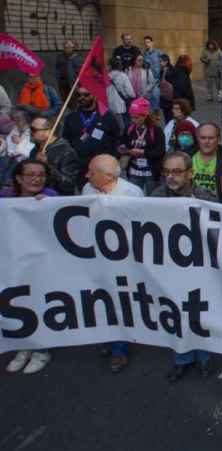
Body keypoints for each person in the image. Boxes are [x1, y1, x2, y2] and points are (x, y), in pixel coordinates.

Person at [149, 151, 219, 381]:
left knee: (199, 313)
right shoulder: (155, 198)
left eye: (177, 172)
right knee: (175, 314)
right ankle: (182, 358)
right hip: (168, 269)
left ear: (190, 173)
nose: (171, 176)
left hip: (200, 268)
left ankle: (204, 356)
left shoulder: (205, 198)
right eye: (167, 172)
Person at [81, 154, 143, 372]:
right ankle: (107, 337)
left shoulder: (132, 194)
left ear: (107, 176)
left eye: (91, 172)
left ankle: (119, 349)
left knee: (120, 302)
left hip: (123, 260)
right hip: (96, 257)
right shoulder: (87, 189)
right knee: (100, 299)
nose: (86, 175)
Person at [2, 159, 56, 375]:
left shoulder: (50, 196)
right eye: (30, 175)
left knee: (39, 303)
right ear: (18, 178)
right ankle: (23, 347)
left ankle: (42, 349)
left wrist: (47, 204)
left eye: (41, 175)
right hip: (12, 261)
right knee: (16, 303)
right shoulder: (6, 198)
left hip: (40, 262)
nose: (36, 179)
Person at [62, 86, 121, 188]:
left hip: (103, 167)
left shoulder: (107, 116)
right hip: (80, 167)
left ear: (94, 96)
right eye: (79, 95)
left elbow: (117, 139)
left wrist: (113, 160)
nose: (82, 97)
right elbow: (66, 141)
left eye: (86, 94)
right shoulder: (70, 118)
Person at [119, 98, 165, 192]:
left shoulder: (156, 130)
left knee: (152, 198)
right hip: (134, 170)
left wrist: (143, 152)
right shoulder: (129, 128)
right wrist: (123, 148)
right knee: (134, 196)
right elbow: (123, 142)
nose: (133, 120)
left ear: (145, 115)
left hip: (151, 172)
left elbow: (160, 151)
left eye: (136, 117)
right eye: (131, 117)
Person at [27, 116, 78, 196]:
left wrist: (47, 165)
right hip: (36, 195)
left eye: (34, 130)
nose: (30, 133)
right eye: (30, 129)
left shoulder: (66, 151)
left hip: (57, 198)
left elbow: (69, 184)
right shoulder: (34, 150)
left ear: (48, 131)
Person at [192, 123, 222, 201]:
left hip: (220, 209)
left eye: (211, 138)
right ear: (197, 138)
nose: (207, 141)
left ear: (218, 139)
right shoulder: (187, 158)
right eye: (203, 138)